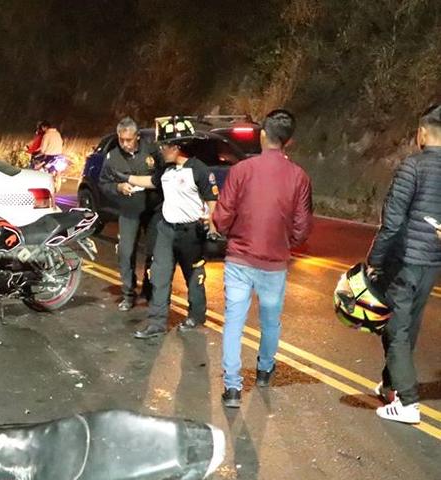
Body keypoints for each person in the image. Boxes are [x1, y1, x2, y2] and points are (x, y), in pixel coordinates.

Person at [211, 109, 313, 408]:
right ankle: (265, 370)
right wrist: (285, 244)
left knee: (234, 322)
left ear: (262, 135)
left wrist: (226, 232)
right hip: (274, 263)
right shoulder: (299, 177)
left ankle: (232, 388)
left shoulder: (242, 170)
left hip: (240, 260)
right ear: (289, 141)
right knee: (270, 321)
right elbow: (302, 226)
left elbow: (223, 214)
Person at [368, 103, 441, 424]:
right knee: (409, 322)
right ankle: (390, 385)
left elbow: (392, 224)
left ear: (422, 133)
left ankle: (408, 403)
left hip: (405, 261)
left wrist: (375, 261)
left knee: (396, 328)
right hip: (431, 263)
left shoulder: (411, 168)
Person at [127, 118, 217, 339]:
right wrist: (127, 178)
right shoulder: (166, 170)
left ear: (176, 147)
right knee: (159, 276)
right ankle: (157, 322)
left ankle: (196, 316)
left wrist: (212, 224)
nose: (162, 150)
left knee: (193, 275)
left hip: (190, 233)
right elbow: (151, 181)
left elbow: (213, 202)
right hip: (166, 230)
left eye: (164, 146)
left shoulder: (199, 171)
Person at [98, 116, 161, 309]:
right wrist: (118, 187)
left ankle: (149, 290)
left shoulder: (152, 151)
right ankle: (128, 293)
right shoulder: (113, 158)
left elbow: (163, 176)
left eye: (129, 139)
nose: (125, 144)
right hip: (129, 210)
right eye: (121, 139)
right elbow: (103, 183)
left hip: (152, 209)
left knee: (154, 252)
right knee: (126, 252)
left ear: (137, 137)